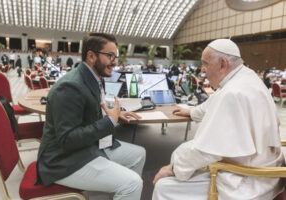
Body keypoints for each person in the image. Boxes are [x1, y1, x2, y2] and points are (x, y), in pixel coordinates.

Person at [152, 39, 284, 200]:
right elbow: (213, 103)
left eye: (205, 64)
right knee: (181, 152)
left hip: (246, 179)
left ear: (222, 64)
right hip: (265, 169)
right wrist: (191, 112)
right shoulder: (246, 78)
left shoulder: (232, 92)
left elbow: (206, 151)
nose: (202, 69)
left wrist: (172, 169)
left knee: (164, 187)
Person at [36, 33, 146, 200]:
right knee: (133, 183)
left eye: (115, 56)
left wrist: (115, 114)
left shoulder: (93, 78)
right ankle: (125, 191)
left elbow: (87, 112)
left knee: (139, 154)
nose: (115, 62)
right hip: (62, 161)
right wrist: (109, 121)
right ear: (91, 56)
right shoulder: (70, 87)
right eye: (110, 56)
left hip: (87, 148)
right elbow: (67, 140)